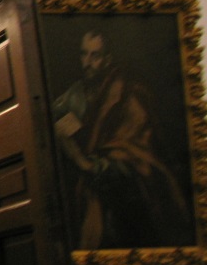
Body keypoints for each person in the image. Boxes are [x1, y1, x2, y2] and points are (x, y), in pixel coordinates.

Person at [51, 30, 193, 250]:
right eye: (83, 54)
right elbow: (59, 129)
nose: (87, 63)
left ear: (108, 59)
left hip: (126, 203)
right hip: (82, 198)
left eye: (95, 56)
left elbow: (138, 155)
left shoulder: (129, 95)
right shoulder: (72, 97)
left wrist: (87, 163)